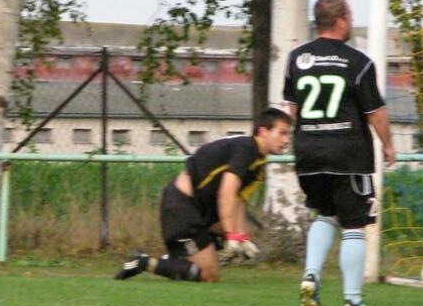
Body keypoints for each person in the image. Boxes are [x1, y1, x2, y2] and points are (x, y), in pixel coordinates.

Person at [285, 0, 395, 306]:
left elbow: (292, 109)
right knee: (354, 225)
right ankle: (353, 299)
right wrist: (388, 145)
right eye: (350, 16)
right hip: (348, 153)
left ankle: (311, 275)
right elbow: (375, 113)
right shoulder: (358, 62)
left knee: (325, 214)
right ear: (340, 20)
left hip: (308, 152)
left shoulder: (296, 58)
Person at [114, 108, 293, 283]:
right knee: (208, 275)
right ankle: (143, 262)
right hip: (181, 208)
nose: (286, 140)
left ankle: (176, 259)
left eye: (288, 134)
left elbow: (238, 200)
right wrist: (231, 235)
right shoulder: (247, 149)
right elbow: (226, 192)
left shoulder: (259, 161)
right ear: (263, 131)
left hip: (199, 210)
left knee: (215, 249)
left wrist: (241, 237)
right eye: (282, 133)